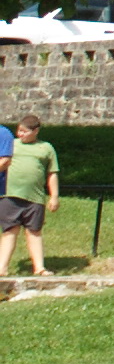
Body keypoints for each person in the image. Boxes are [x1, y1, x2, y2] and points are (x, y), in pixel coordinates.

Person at [2, 118, 55, 278]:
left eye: (24, 131)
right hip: (10, 194)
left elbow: (52, 173)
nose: (20, 134)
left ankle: (39, 267)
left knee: (34, 231)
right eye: (19, 131)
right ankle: (2, 268)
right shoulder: (11, 145)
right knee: (10, 230)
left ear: (36, 131)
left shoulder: (46, 148)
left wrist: (54, 196)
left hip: (35, 196)